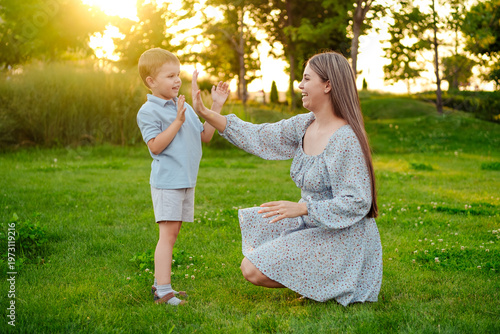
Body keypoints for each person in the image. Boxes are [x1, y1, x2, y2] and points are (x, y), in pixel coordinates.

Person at [192, 51, 382, 306]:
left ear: (328, 85)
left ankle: (336, 281)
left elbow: (357, 202)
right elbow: (260, 135)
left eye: (307, 79)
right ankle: (320, 283)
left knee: (252, 268)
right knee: (255, 243)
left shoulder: (345, 138)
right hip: (314, 225)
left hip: (344, 237)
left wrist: (303, 208)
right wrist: (207, 112)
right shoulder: (305, 124)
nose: (300, 86)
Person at [136, 48, 229, 305]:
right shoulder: (148, 111)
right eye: (169, 76)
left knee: (173, 234)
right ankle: (163, 292)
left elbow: (205, 136)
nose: (177, 80)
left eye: (178, 74)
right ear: (151, 82)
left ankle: (161, 285)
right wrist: (177, 121)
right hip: (168, 182)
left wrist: (216, 105)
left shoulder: (184, 104)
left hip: (186, 181)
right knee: (167, 235)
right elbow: (155, 146)